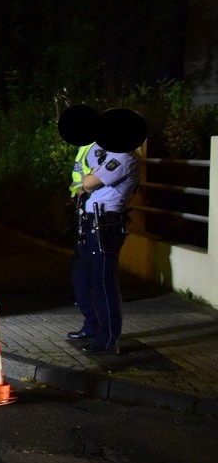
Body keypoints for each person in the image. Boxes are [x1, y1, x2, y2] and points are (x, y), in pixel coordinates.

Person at [66, 139, 140, 354]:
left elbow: (88, 183)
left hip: (106, 226)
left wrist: (86, 180)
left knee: (102, 283)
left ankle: (108, 340)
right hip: (90, 224)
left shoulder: (124, 157)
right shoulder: (110, 155)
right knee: (82, 279)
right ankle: (92, 326)